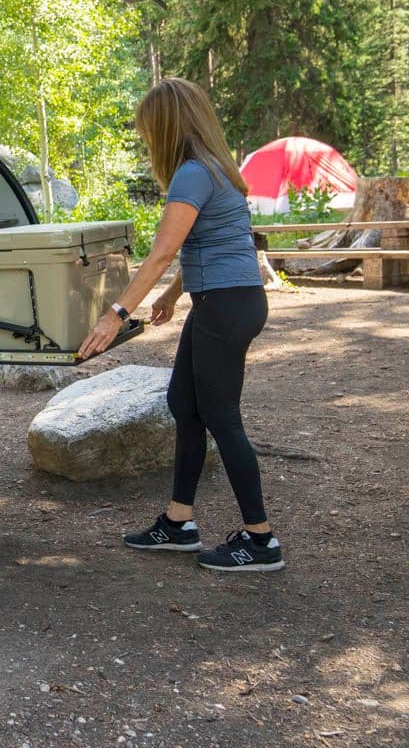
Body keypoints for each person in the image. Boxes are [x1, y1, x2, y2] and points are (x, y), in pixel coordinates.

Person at [76, 77, 282, 573]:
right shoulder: (216, 169)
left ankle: (260, 540)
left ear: (166, 126)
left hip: (225, 306)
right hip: (228, 300)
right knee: (184, 405)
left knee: (221, 417)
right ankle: (178, 522)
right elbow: (207, 244)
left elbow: (163, 250)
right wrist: (172, 294)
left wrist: (116, 313)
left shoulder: (192, 174)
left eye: (149, 130)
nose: (147, 139)